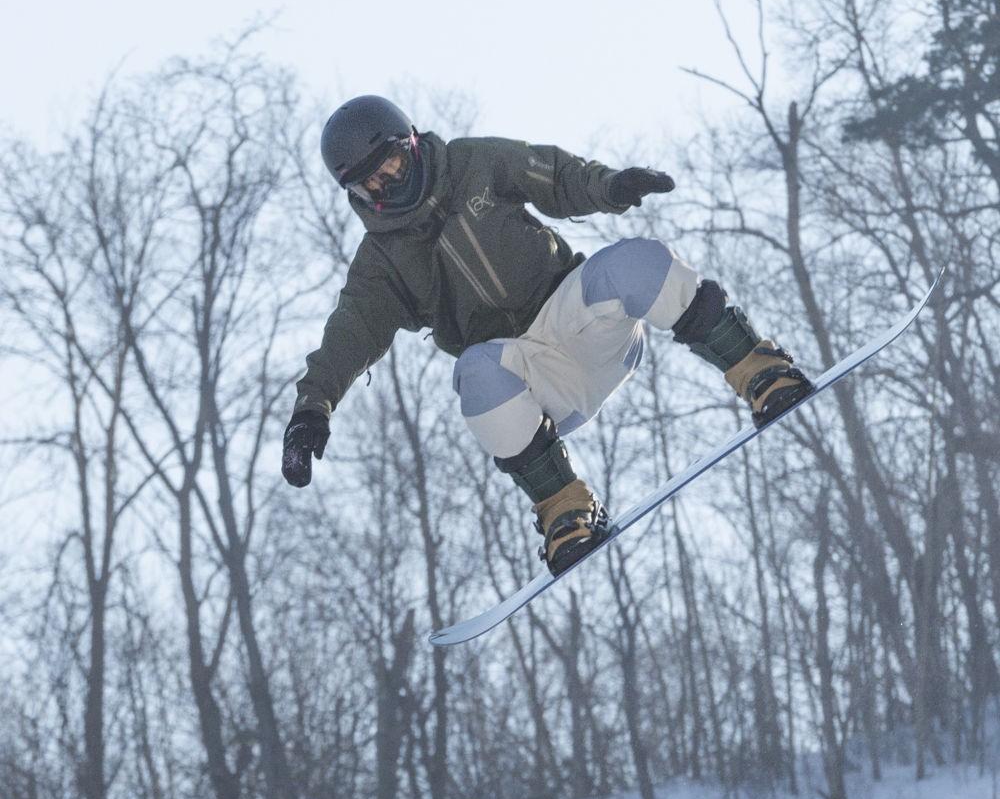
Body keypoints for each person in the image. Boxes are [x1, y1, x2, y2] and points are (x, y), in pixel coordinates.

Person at [283, 97, 813, 575]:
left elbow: (553, 176)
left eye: (391, 166)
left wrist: (610, 186)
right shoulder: (382, 260)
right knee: (474, 372)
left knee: (634, 261)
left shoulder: (473, 163)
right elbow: (349, 334)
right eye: (368, 184)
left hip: (574, 319)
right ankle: (566, 511)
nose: (386, 186)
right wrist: (313, 407)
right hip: (529, 383)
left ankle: (760, 370)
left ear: (413, 144)